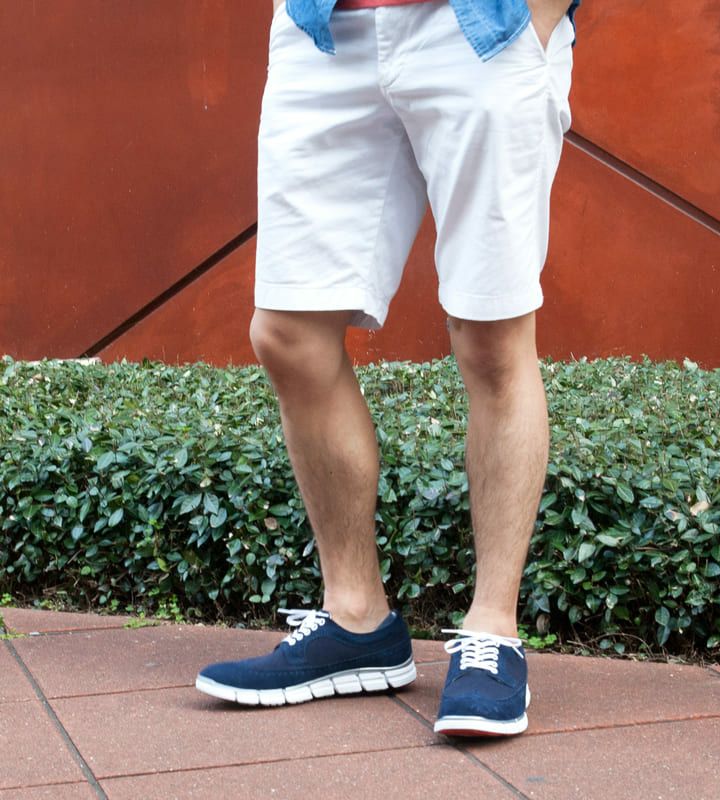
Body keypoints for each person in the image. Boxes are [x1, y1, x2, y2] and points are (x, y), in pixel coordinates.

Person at [197, 0, 580, 737]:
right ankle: (356, 619)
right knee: (287, 332)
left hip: (481, 27)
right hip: (326, 31)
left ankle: (492, 631)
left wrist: (538, 15)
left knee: (491, 336)